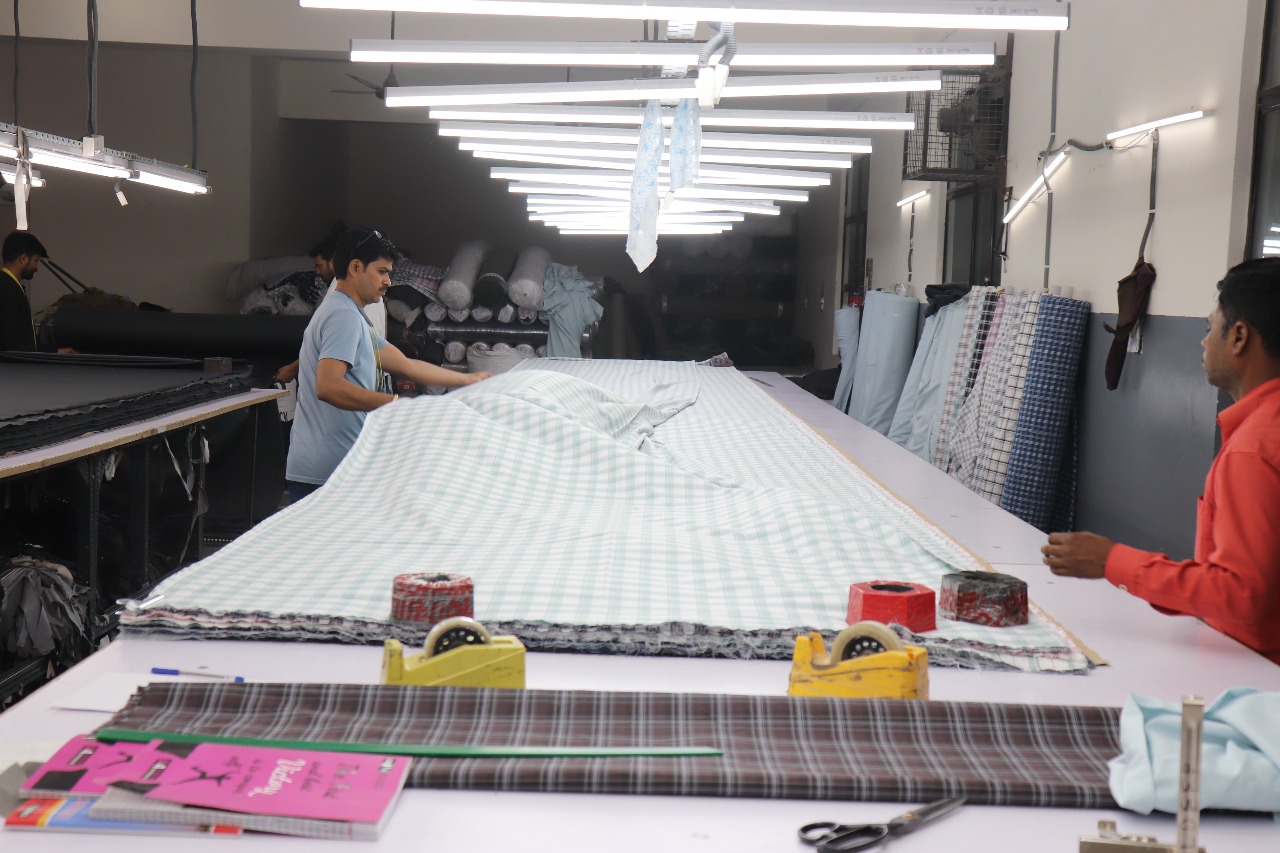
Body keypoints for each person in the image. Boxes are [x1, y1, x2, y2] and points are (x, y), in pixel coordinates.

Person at [1041, 258, 1280, 664]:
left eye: (1209, 329)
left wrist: (1112, 560)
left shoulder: (1253, 449)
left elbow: (1240, 593)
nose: (1204, 343)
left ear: (1239, 337)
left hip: (1256, 675)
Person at [284, 228, 491, 503]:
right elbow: (328, 387)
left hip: (331, 469)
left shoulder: (351, 315)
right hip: (327, 474)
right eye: (382, 271)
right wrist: (394, 404)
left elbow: (407, 365)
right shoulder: (343, 317)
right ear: (356, 267)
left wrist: (470, 380)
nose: (388, 282)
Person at [274, 235, 386, 383]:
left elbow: (324, 343)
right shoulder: (374, 292)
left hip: (351, 377)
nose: (317, 272)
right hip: (372, 375)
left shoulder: (340, 290)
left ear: (333, 262)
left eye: (319, 265)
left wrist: (292, 369)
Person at [0, 230, 47, 352]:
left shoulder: (10, 285)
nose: (36, 267)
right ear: (24, 259)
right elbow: (12, 341)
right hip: (13, 364)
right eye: (36, 260)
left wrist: (54, 352)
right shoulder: (9, 290)